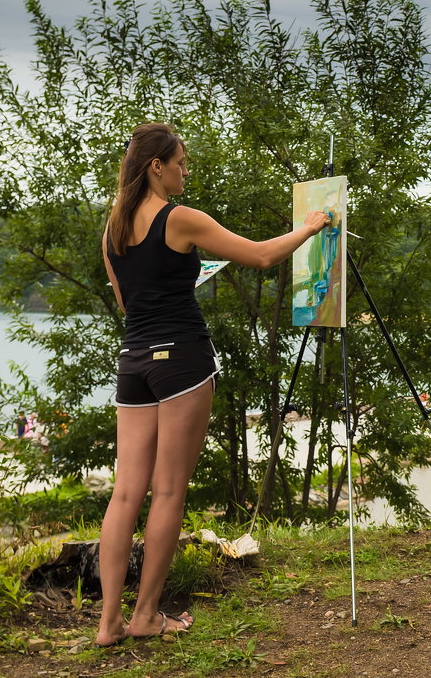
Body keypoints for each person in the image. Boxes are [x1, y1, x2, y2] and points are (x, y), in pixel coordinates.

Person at [95, 123, 330, 647]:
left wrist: (175, 281)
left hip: (133, 362)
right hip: (181, 360)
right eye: (180, 162)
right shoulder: (181, 218)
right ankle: (145, 616)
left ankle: (108, 623)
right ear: (156, 166)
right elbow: (265, 255)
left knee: (126, 493)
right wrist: (311, 226)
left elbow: (130, 305)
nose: (185, 170)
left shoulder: (111, 230)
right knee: (169, 490)